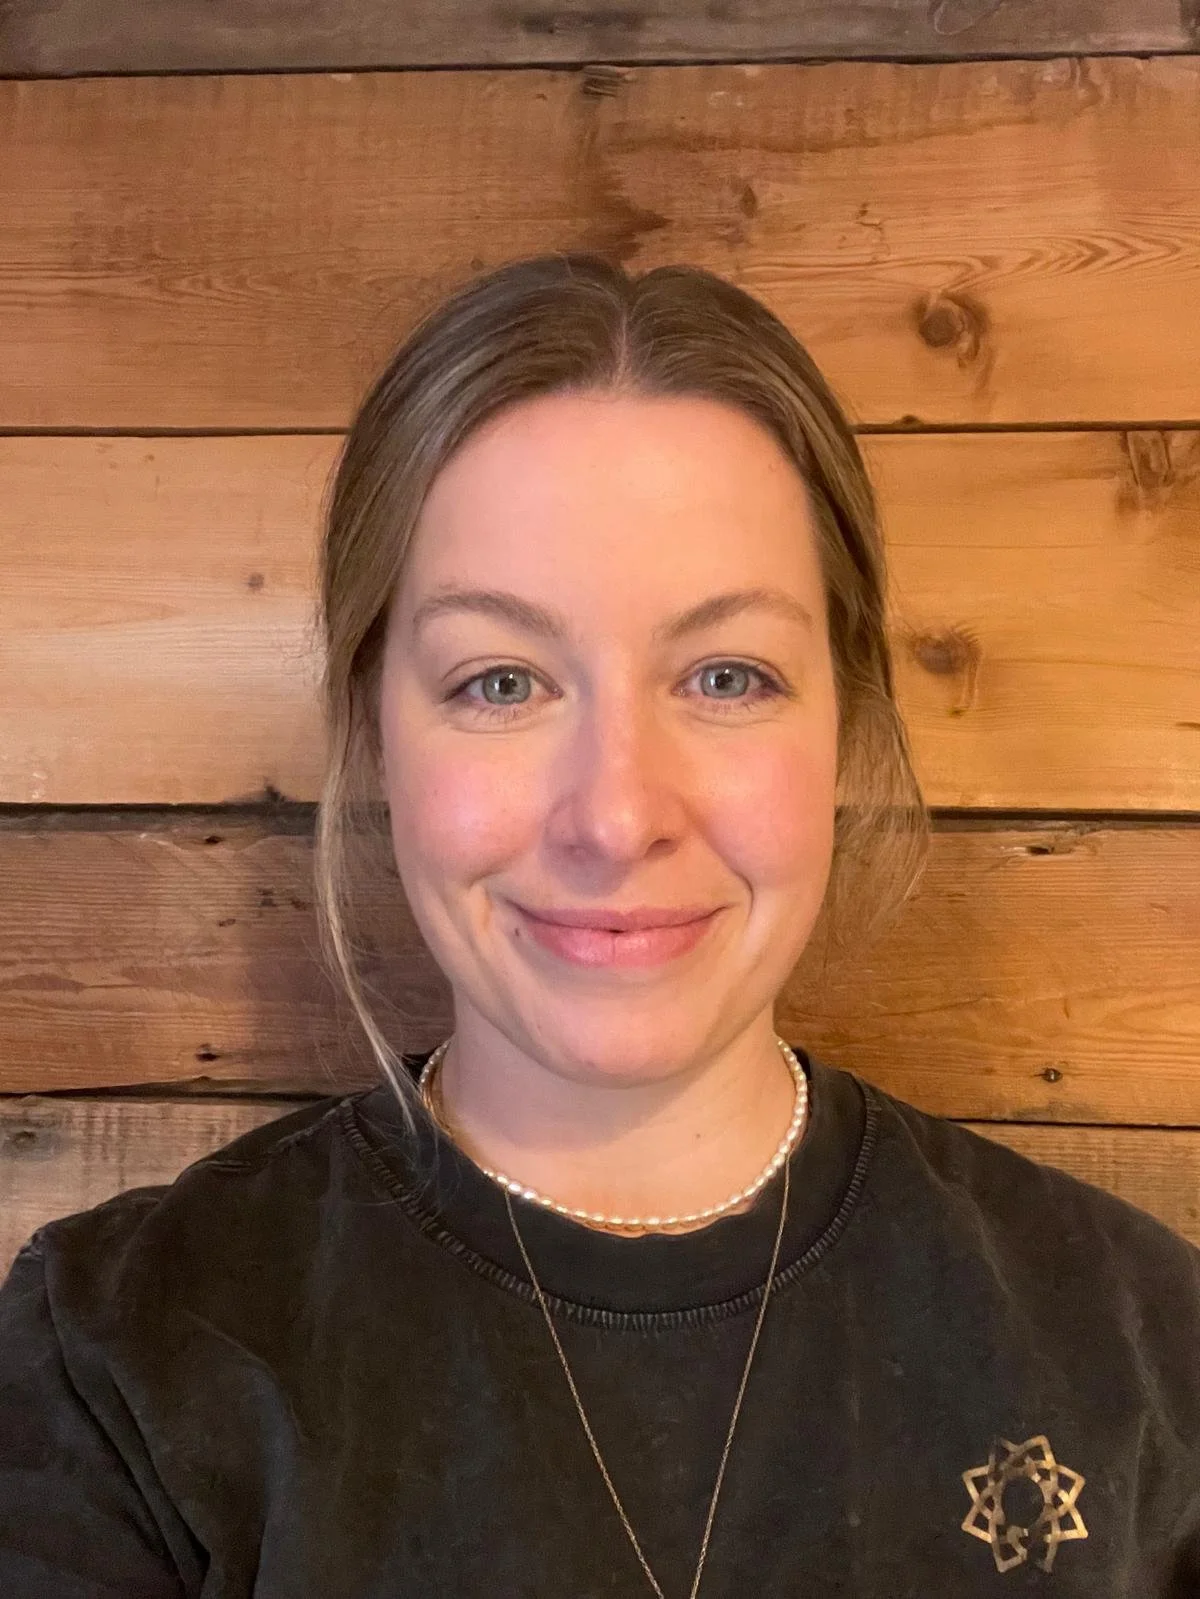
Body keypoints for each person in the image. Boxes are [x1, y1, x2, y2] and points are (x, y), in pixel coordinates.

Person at [1, 252, 1198, 1598]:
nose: (617, 815)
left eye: (727, 674)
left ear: (850, 725)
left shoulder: (1147, 1351)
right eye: (501, 679)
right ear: (373, 727)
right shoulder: (117, 1363)